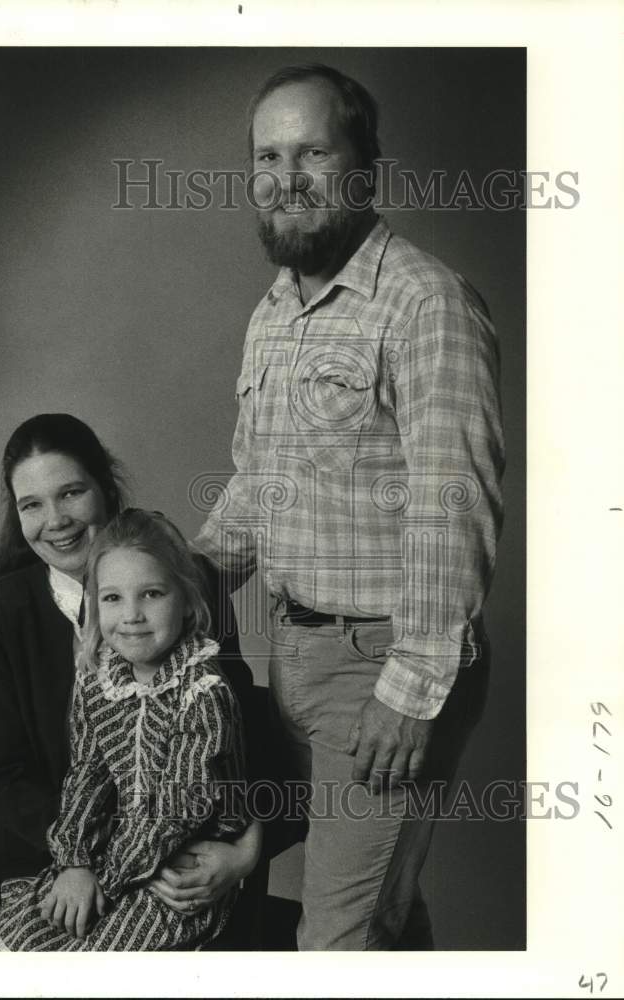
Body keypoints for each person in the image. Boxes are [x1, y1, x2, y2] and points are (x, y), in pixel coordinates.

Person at [194, 64, 505, 950]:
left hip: (385, 665)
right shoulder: (275, 316)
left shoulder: (425, 303)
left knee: (334, 944)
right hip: (292, 653)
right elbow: (260, 487)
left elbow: (458, 503)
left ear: (366, 167)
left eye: (313, 151)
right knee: (382, 915)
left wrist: (411, 691)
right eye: (267, 155)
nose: (285, 176)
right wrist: (174, 585)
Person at [0, 413, 261, 950]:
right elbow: (4, 776)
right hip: (46, 858)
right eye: (32, 505)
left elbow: (240, 738)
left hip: (187, 863)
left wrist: (245, 851)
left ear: (105, 488)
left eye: (71, 493)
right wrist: (86, 860)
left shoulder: (189, 585)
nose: (56, 520)